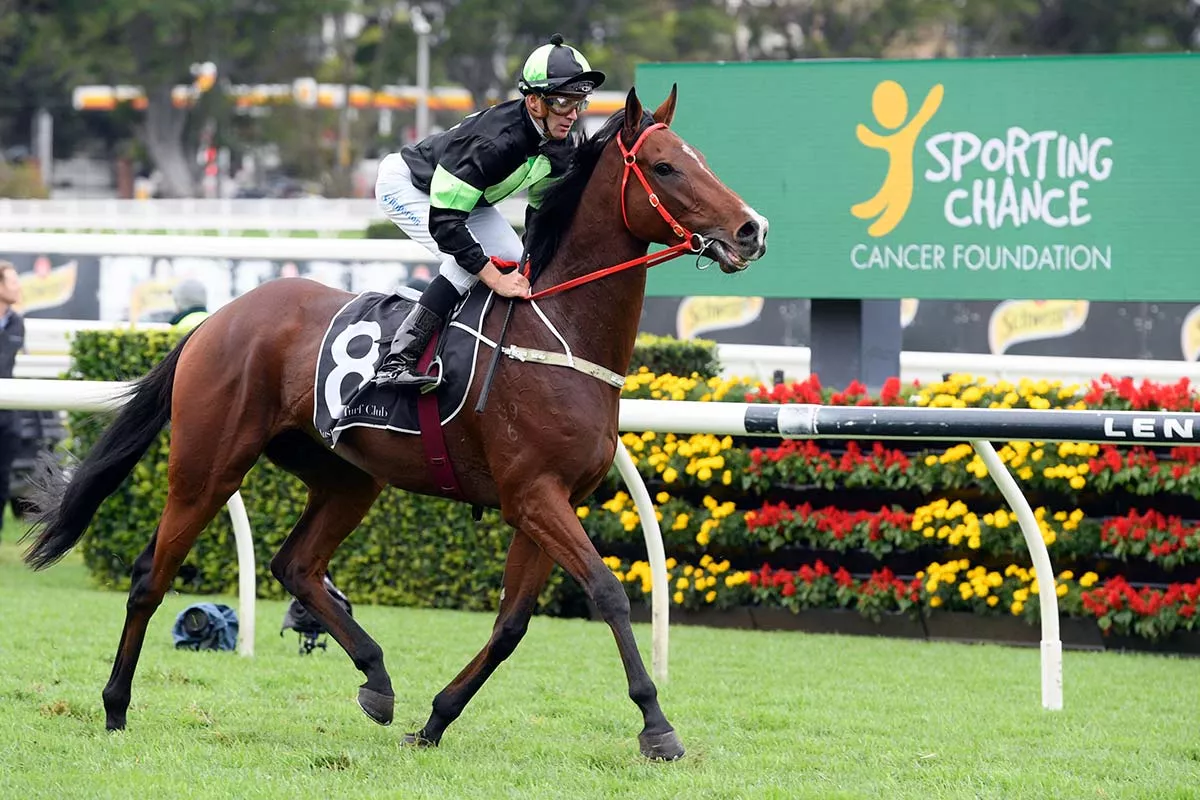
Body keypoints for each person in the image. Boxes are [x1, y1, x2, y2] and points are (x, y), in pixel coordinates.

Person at [371, 33, 604, 388]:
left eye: (580, 103)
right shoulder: (492, 142)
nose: (572, 115)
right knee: (472, 265)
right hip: (409, 187)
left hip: (469, 201)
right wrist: (493, 277)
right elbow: (447, 223)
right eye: (562, 101)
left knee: (516, 261)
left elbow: (539, 214)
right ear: (534, 102)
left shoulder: (560, 144)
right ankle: (397, 360)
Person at [0, 261, 25, 526]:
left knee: (2, 480)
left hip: (6, 416)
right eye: (12, 282)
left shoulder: (17, 322)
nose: (18, 287)